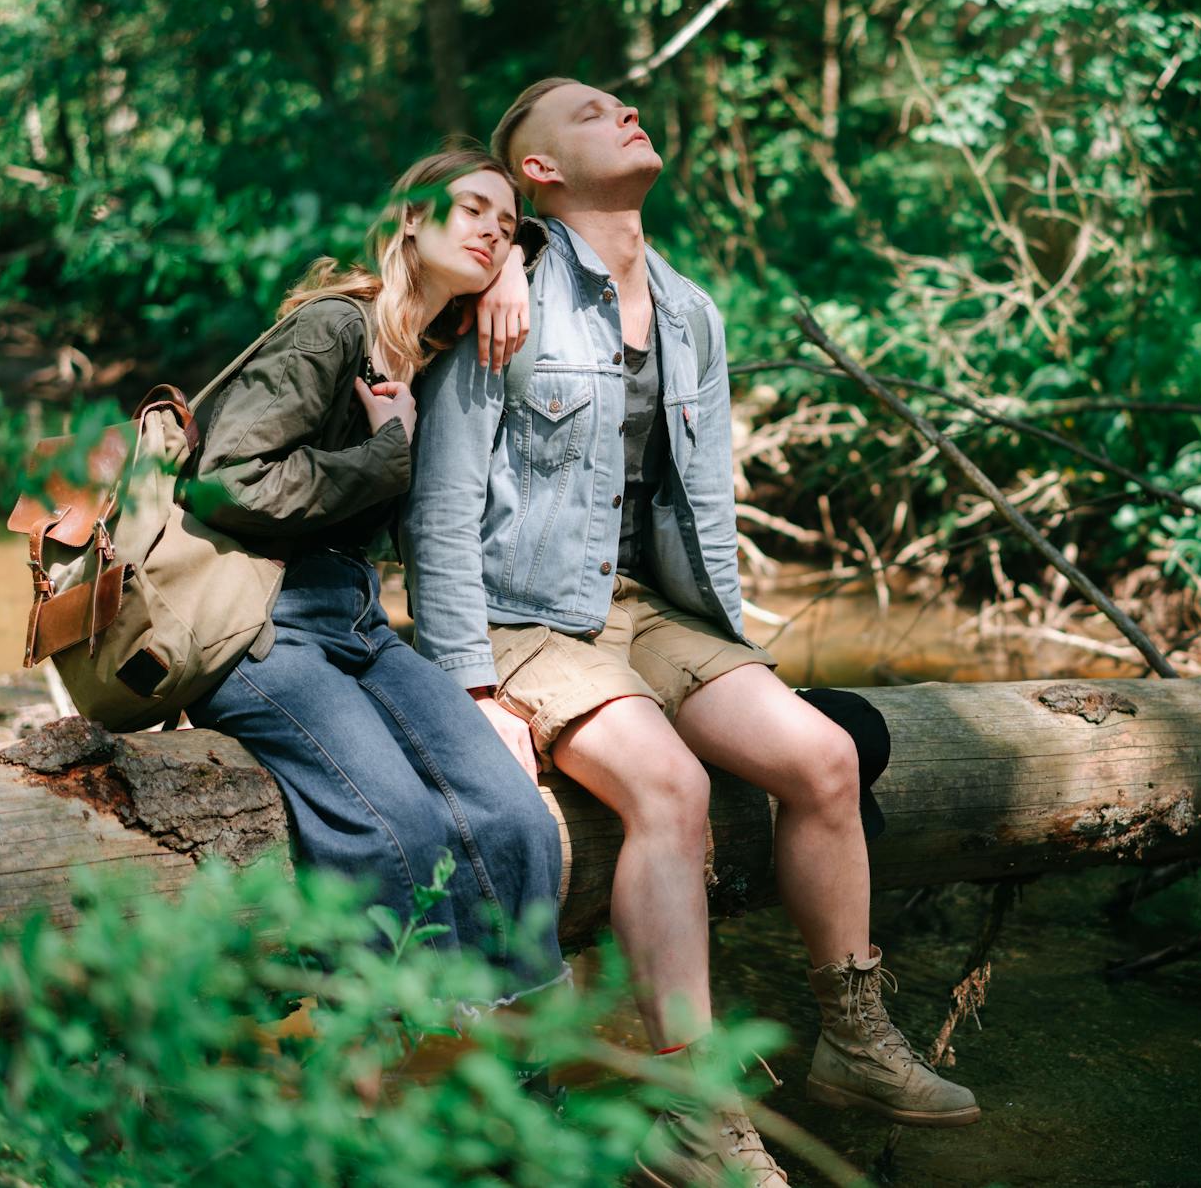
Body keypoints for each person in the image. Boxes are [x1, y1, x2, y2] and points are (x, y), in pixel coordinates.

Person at [405, 82, 977, 1186]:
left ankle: (855, 1039)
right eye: (588, 112)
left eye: (621, 103)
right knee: (668, 785)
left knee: (825, 756)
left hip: (651, 609)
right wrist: (466, 683)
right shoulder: (497, 286)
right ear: (537, 172)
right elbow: (439, 504)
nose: (623, 111)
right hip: (523, 614)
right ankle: (691, 1107)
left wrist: (728, 644)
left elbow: (700, 502)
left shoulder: (690, 311)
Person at [182, 146, 565, 1002]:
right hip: (257, 623)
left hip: (358, 621)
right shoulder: (333, 327)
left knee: (515, 816)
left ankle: (525, 1049)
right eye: (472, 211)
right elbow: (223, 480)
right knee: (403, 832)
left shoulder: (431, 344)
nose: (493, 234)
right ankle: (410, 1050)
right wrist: (386, 454)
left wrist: (515, 266)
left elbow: (564, 252)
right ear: (413, 218)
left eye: (507, 227)